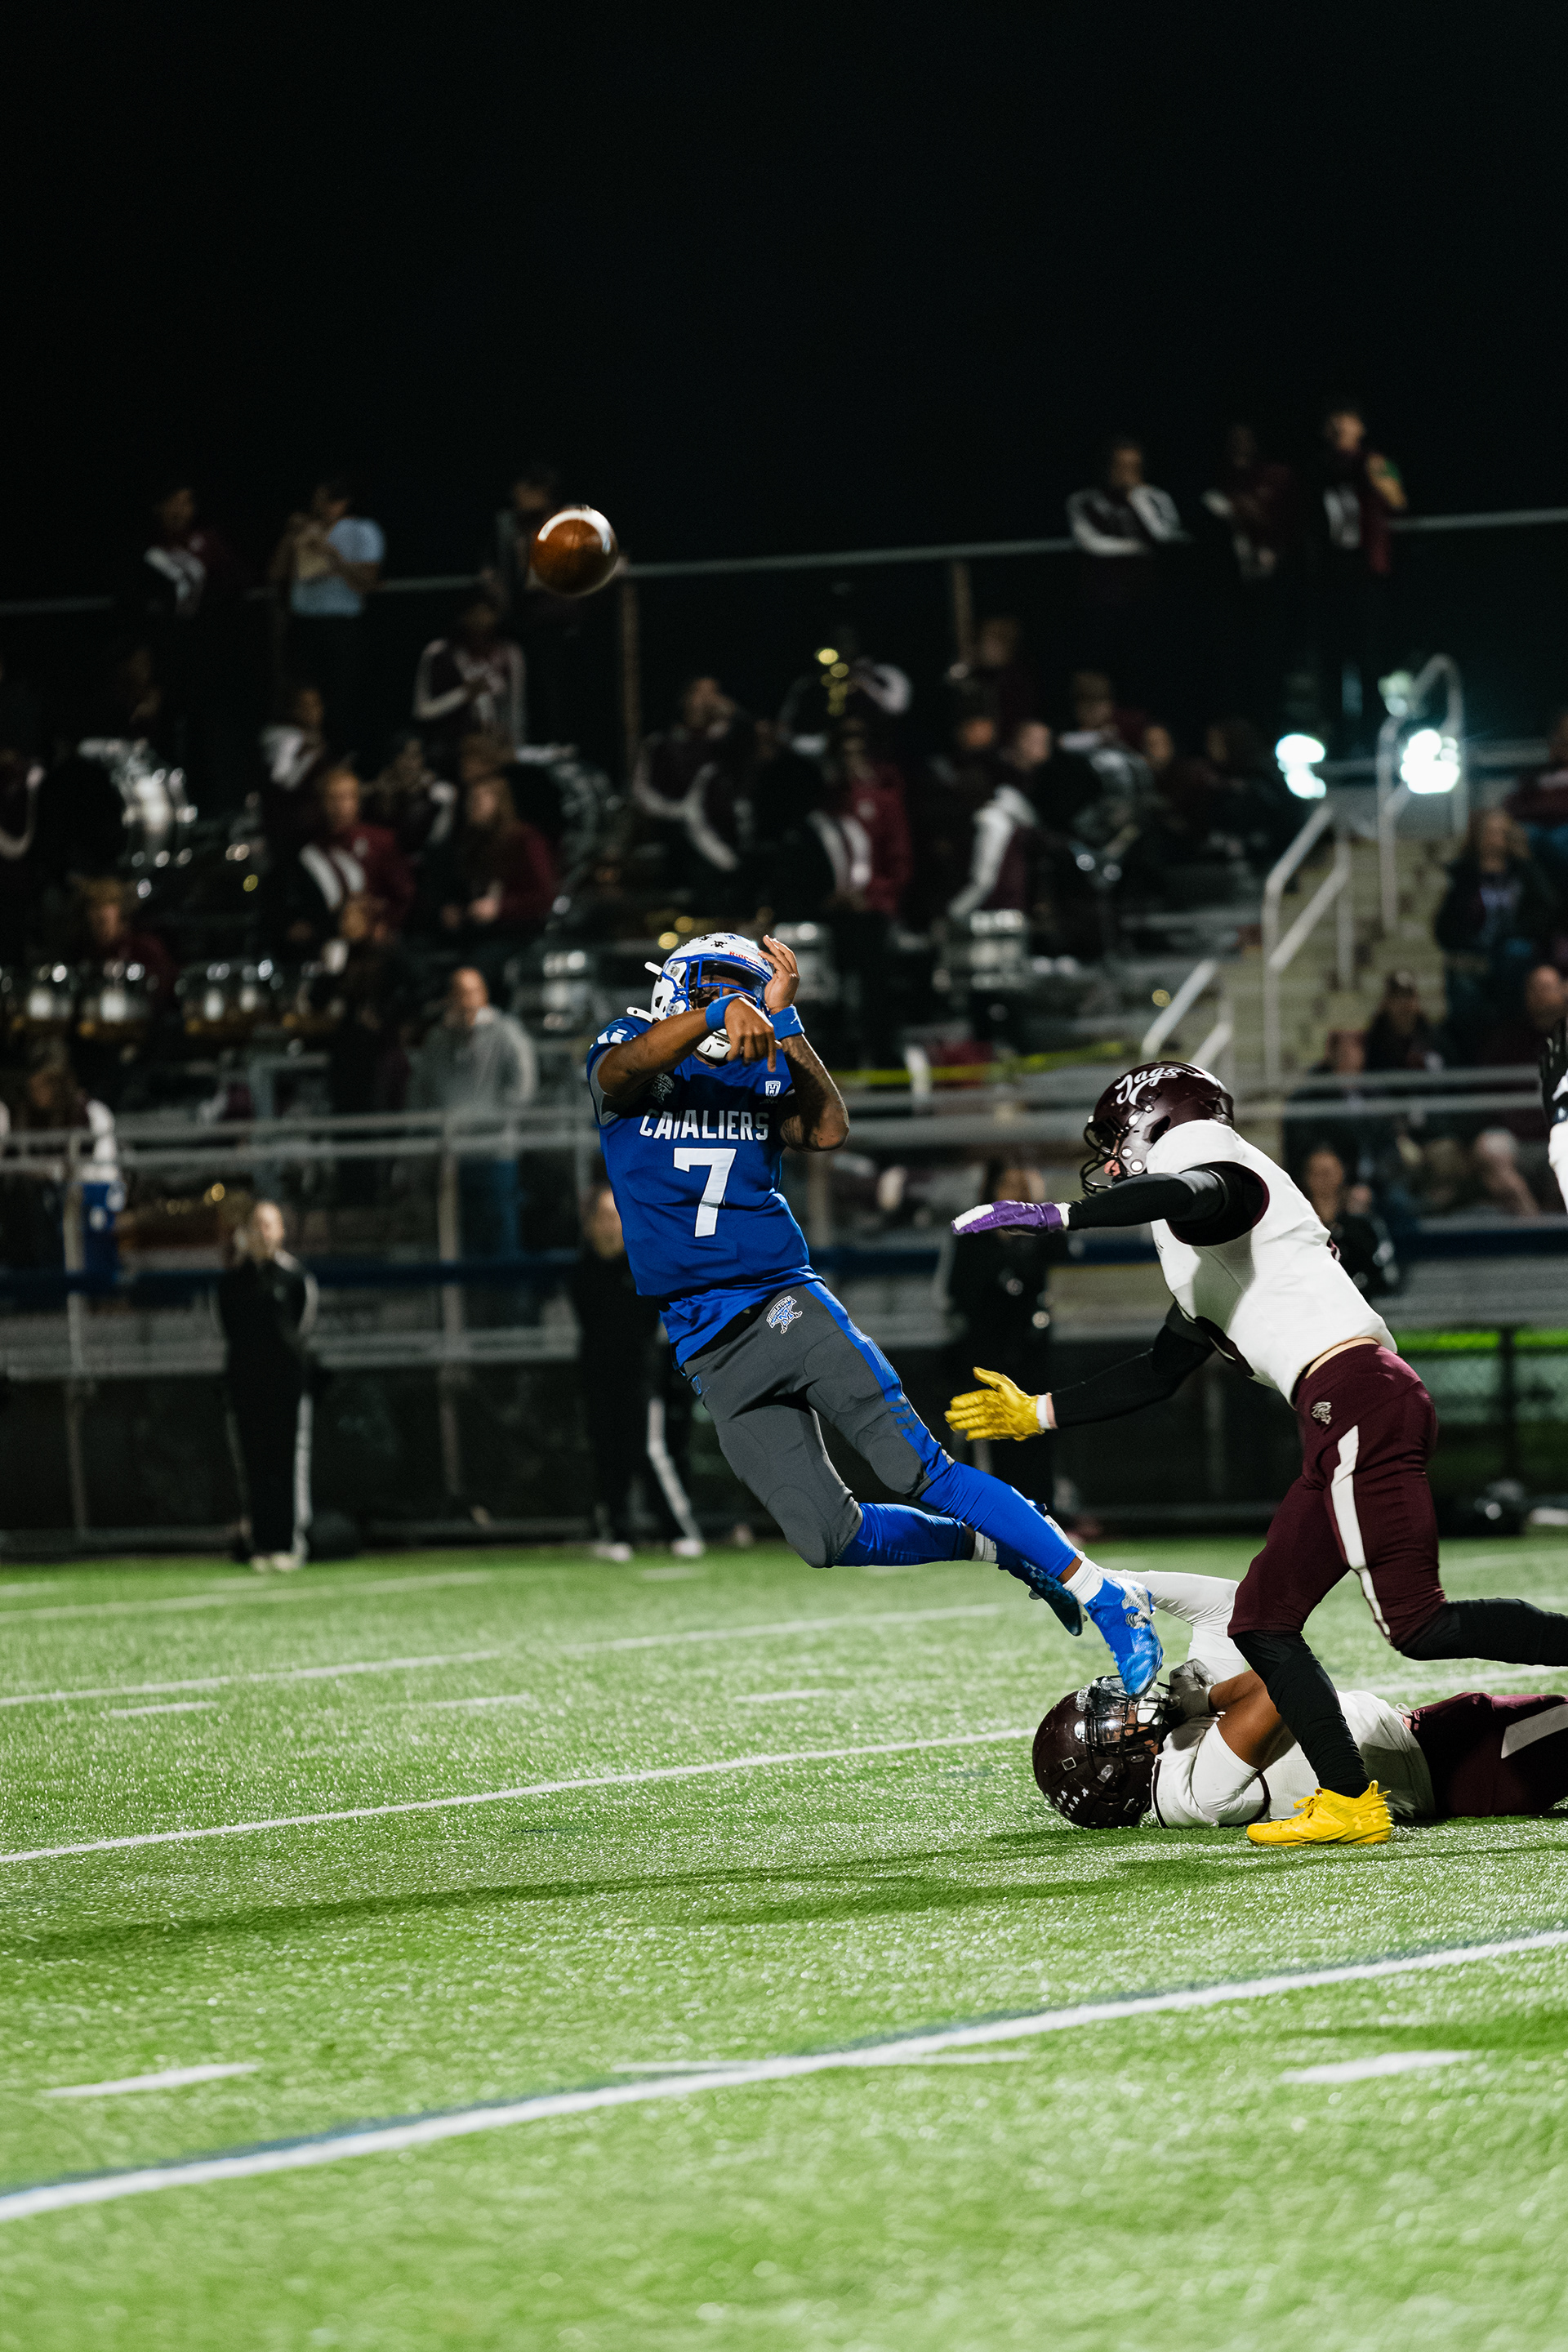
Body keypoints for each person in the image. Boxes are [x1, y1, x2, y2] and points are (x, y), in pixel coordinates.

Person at [947, 1058, 1568, 1846]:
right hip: (1338, 1408)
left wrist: (1063, 1217)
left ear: (1153, 1128)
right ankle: (1350, 1800)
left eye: (1116, 1145)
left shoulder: (1213, 1170)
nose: (1109, 1164)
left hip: (1358, 1395)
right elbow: (1159, 1370)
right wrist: (1039, 1411)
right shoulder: (1210, 1254)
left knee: (1416, 1623)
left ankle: (1353, 1802)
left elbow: (1193, 1192)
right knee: (1263, 1621)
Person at [584, 929, 1160, 1690]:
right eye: (716, 987)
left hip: (783, 1303)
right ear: (678, 988)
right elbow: (623, 1070)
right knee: (826, 1537)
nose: (730, 1002)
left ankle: (1110, 1596)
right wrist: (720, 1012)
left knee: (920, 1471)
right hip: (704, 1342)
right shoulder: (626, 1049)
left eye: (741, 990)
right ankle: (1008, 1546)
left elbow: (827, 1130)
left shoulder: (758, 1068)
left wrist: (788, 1025)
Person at [1033, 1571, 1568, 1829]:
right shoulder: (1190, 1793)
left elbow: (1231, 1607)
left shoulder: (1173, 1754)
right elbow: (1279, 1683)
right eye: (1114, 1720)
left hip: (1435, 1733)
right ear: (1115, 1770)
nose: (1130, 1707)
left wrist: (1121, 1586)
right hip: (1462, 1769)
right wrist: (1206, 1698)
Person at [569, 1182, 705, 1561]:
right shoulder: (583, 1271)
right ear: (590, 1225)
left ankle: (679, 1530)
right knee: (606, 1451)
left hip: (641, 1377)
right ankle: (617, 1532)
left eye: (615, 1217)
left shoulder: (643, 1267)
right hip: (598, 1374)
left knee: (649, 1450)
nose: (609, 1226)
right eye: (602, 1217)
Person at [410, 968, 537, 1309]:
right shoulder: (438, 1040)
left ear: (484, 995)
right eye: (458, 993)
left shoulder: (506, 1033)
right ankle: (469, 1315)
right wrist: (435, 1131)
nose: (465, 1001)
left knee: (501, 1238)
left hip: (496, 1156)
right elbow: (421, 1090)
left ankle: (509, 1317)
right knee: (458, 1244)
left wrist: (485, 1124)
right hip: (451, 1158)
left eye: (471, 992)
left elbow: (522, 1088)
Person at [945, 1160, 1060, 1510]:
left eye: (1023, 1186)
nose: (1016, 1194)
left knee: (1038, 1436)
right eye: (1008, 1185)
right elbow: (957, 1293)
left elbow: (1062, 1261)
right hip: (987, 1355)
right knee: (991, 1439)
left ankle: (1045, 1512)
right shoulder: (972, 1234)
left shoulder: (1042, 1236)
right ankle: (996, 1515)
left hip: (1032, 1353)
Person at [216, 1199, 318, 1573]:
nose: (262, 1233)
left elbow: (301, 1329)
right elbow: (229, 1330)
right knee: (254, 1464)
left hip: (285, 1387)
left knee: (287, 1462)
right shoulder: (232, 1283)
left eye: (269, 1225)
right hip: (247, 1387)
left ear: (281, 1231)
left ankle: (291, 1542)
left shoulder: (296, 1278)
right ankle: (262, 1542)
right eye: (256, 1225)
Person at [1316, 401, 1406, 753]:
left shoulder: (1375, 461)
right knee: (1333, 659)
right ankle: (1338, 735)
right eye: (1335, 420)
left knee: (1368, 655)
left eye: (1348, 420)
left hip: (1365, 570)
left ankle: (1373, 734)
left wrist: (1376, 475)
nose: (1341, 427)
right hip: (1330, 572)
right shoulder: (1319, 468)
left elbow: (1398, 500)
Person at [417, 746, 559, 969]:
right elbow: (465, 889)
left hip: (517, 935)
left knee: (471, 970)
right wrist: (454, 910)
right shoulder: (470, 843)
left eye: (478, 800)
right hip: (477, 934)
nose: (472, 807)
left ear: (498, 801)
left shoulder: (524, 839)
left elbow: (544, 896)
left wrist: (500, 908)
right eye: (470, 800)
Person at [270, 479, 384, 750]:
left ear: (344, 503)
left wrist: (333, 556)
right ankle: (298, 755)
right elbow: (276, 573)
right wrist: (290, 538)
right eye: (319, 499)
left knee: (339, 698)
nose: (322, 506)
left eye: (331, 500)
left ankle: (337, 754)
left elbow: (368, 582)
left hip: (340, 627)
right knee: (299, 695)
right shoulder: (304, 529)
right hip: (302, 625)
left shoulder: (361, 530)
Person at [1066, 439, 1182, 705]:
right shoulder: (1084, 500)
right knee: (1106, 670)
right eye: (1120, 466)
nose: (1126, 473)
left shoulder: (1155, 498)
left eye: (1133, 467)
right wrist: (1138, 547)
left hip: (1149, 600)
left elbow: (1166, 536)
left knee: (1148, 668)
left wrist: (1138, 498)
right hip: (1104, 602)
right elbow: (1091, 542)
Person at [1434, 808, 1557, 1058]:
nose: (1494, 838)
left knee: (1516, 961)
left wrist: (1525, 860)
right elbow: (1446, 927)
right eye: (1489, 831)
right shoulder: (1464, 874)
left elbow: (1547, 909)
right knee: (1465, 987)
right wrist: (1469, 944)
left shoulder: (1524, 871)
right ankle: (1473, 1057)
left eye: (1501, 832)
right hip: (1476, 955)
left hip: (1514, 956)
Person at [630, 677, 756, 908]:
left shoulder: (726, 742)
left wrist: (734, 714)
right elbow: (643, 792)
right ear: (685, 699)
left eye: (713, 693)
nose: (708, 700)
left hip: (725, 842)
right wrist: (683, 815)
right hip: (681, 843)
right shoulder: (662, 743)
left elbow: (750, 740)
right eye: (700, 693)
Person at [278, 765, 415, 954]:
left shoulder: (380, 841)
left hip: (373, 944)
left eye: (347, 796)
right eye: (332, 798)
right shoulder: (311, 851)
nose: (340, 805)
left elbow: (404, 895)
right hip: (327, 944)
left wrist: (385, 924)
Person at [412, 594, 526, 764]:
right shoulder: (439, 652)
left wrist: (516, 748)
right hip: (450, 746)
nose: (480, 620)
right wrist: (464, 694)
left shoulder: (509, 653)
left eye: (486, 612)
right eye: (474, 613)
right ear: (463, 616)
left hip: (495, 746)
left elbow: (516, 708)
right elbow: (422, 710)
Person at [1298, 1139, 1399, 1296]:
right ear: (1306, 1178)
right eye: (1316, 1173)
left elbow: (1386, 1273)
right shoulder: (1298, 1221)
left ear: (1341, 1173)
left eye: (1328, 1172)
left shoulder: (1363, 1222)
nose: (1323, 1180)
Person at [1503, 709, 1568, 888]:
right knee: (1513, 837)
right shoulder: (1535, 776)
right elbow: (1511, 806)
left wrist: (1543, 804)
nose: (1563, 743)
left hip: (1560, 834)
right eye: (1560, 737)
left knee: (1557, 840)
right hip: (1536, 832)